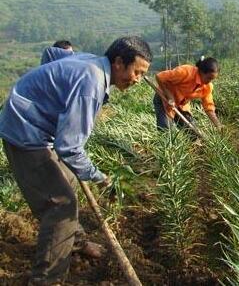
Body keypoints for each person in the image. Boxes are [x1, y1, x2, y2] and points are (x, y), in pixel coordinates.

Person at [0, 36, 152, 285]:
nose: (136, 80)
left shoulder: (90, 61)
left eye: (142, 75)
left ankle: (76, 242)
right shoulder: (90, 85)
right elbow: (68, 146)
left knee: (68, 181)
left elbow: (51, 54)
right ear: (118, 62)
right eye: (136, 72)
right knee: (60, 205)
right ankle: (46, 279)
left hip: (34, 126)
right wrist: (99, 177)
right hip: (25, 134)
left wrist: (46, 87)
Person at [153, 56, 222, 131]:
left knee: (193, 132)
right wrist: (169, 96)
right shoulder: (185, 72)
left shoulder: (207, 87)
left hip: (181, 104)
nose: (210, 81)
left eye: (212, 79)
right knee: (166, 131)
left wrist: (218, 124)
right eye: (209, 78)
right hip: (164, 98)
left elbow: (209, 107)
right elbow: (160, 77)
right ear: (202, 72)